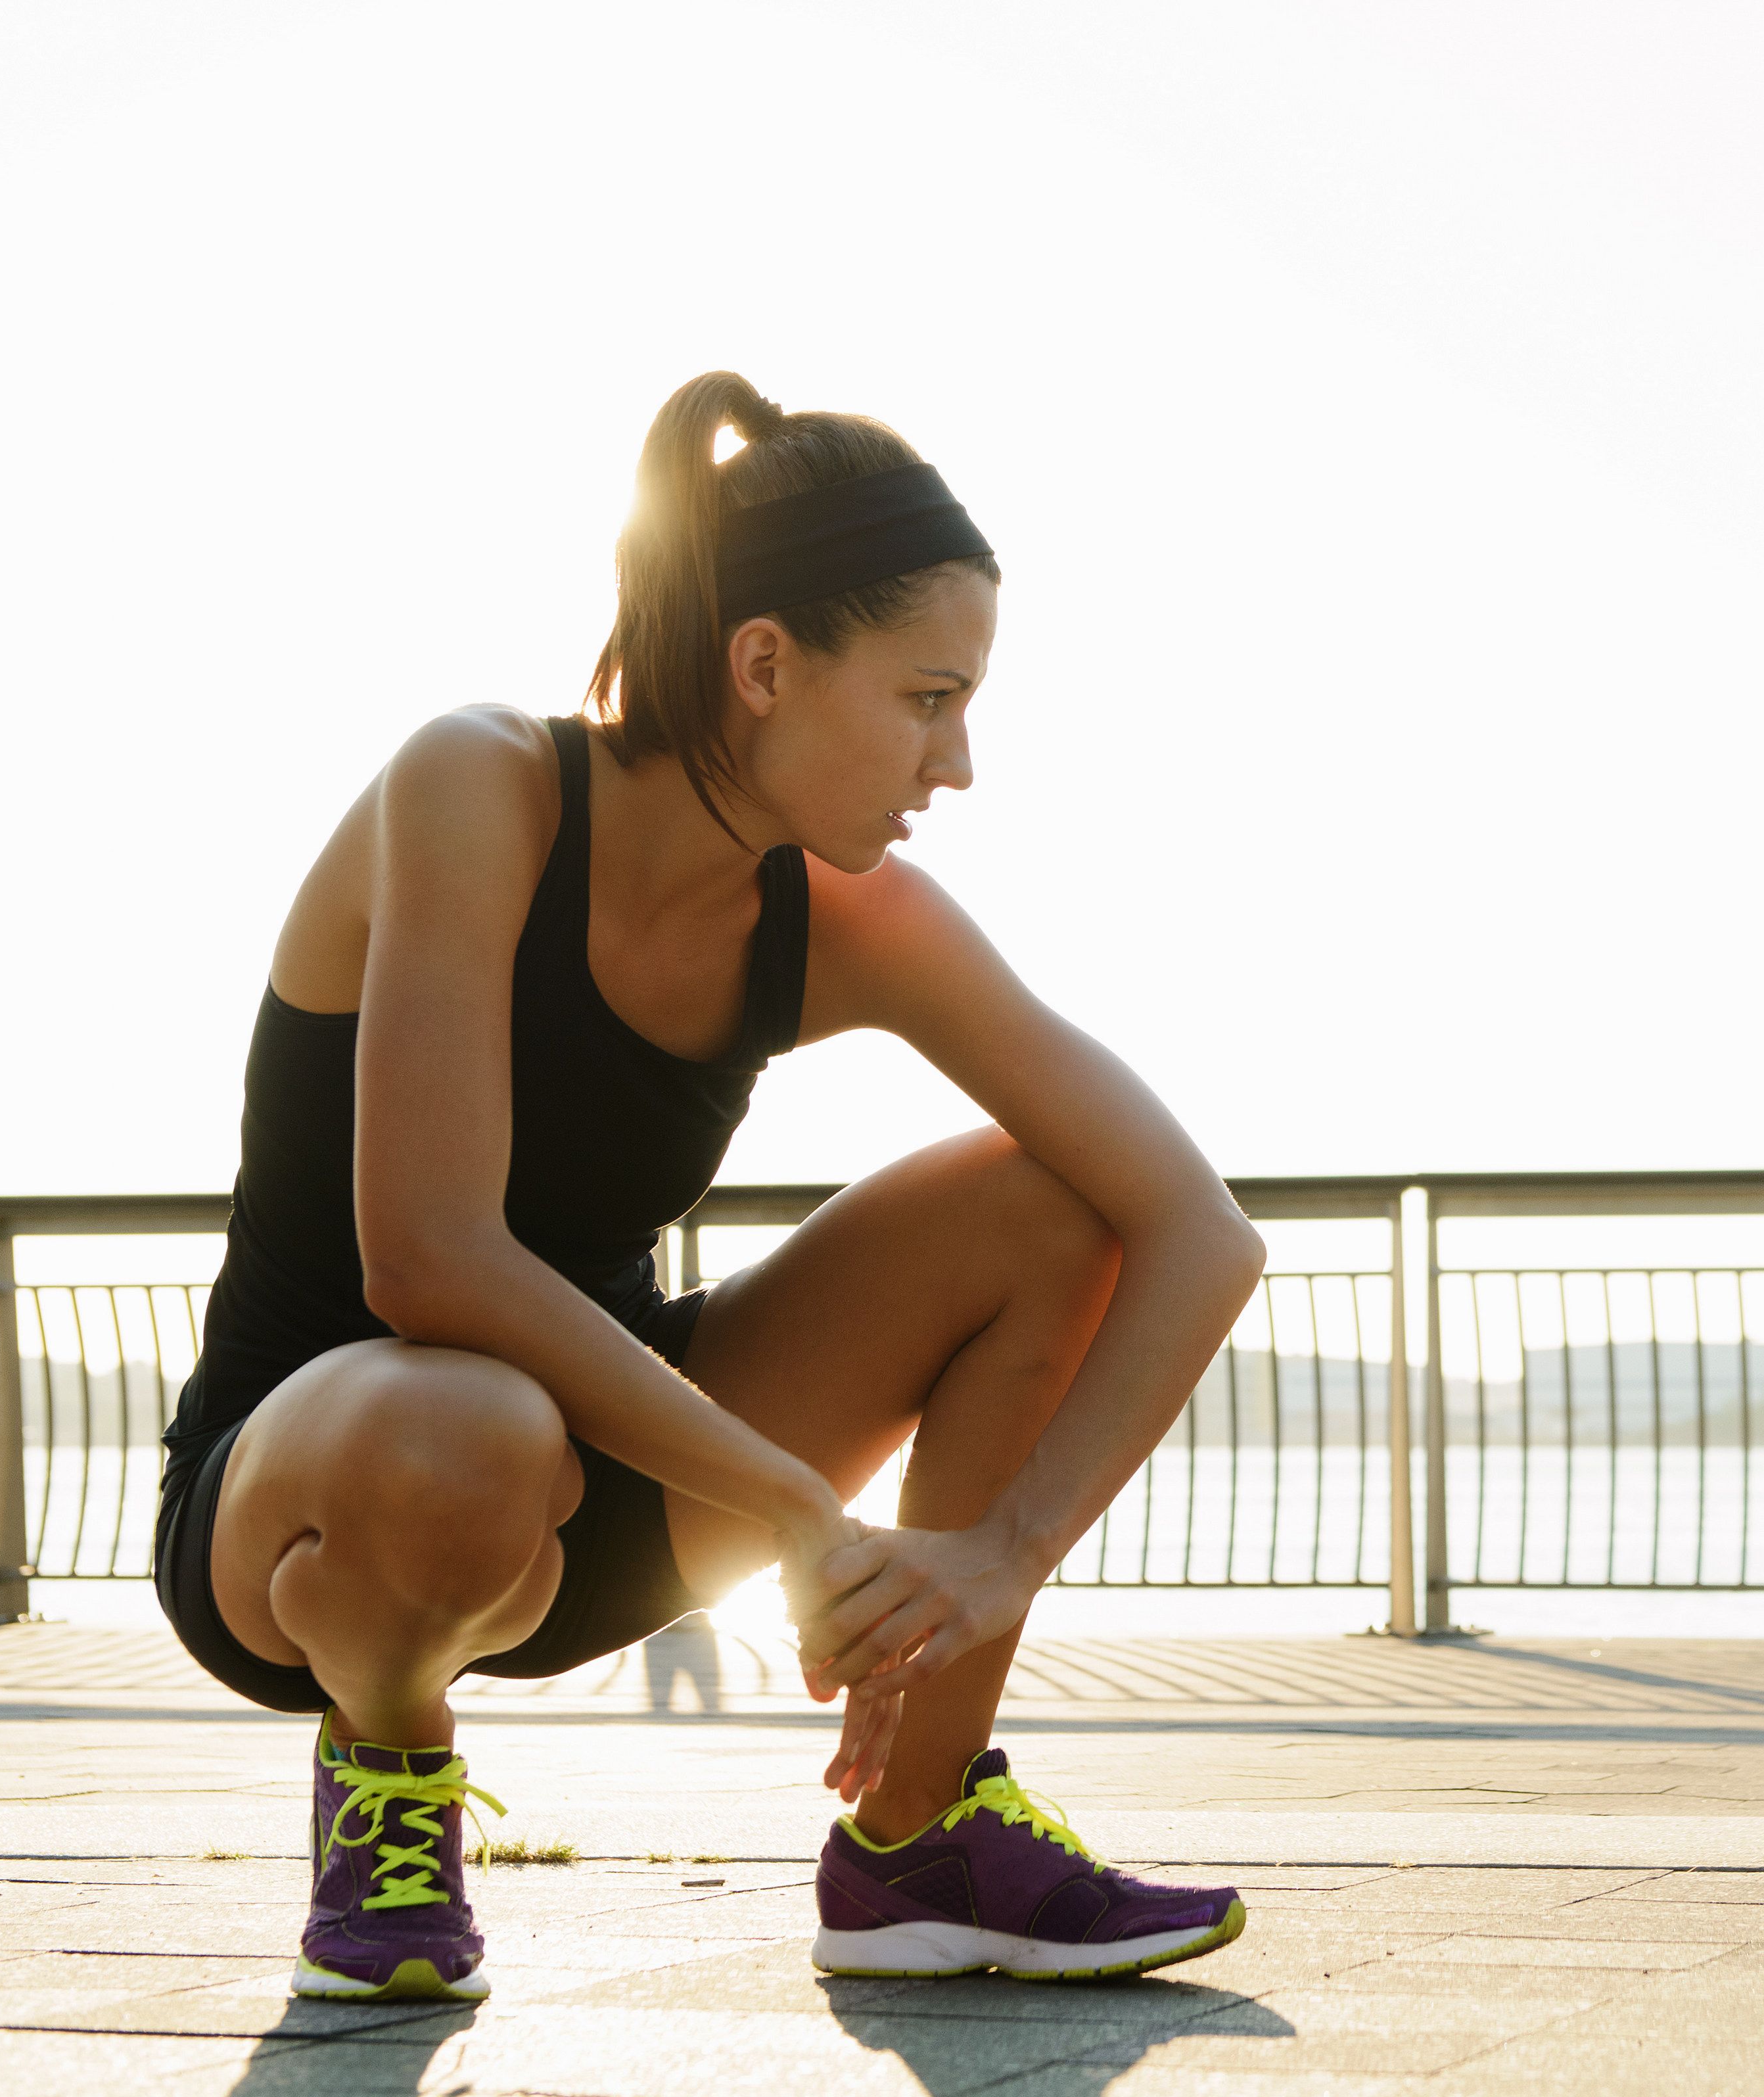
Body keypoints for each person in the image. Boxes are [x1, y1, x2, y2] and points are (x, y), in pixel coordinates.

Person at [151, 372, 1266, 2001]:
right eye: (926, 697)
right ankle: (389, 1780)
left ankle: (916, 1834)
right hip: (325, 1494)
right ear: (764, 665)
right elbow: (432, 1259)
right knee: (463, 1414)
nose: (955, 762)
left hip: (612, 1479)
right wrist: (798, 1507)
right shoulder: (480, 788)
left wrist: (1000, 1554)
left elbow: (1199, 1235)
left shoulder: (852, 917)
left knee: (1051, 1209)